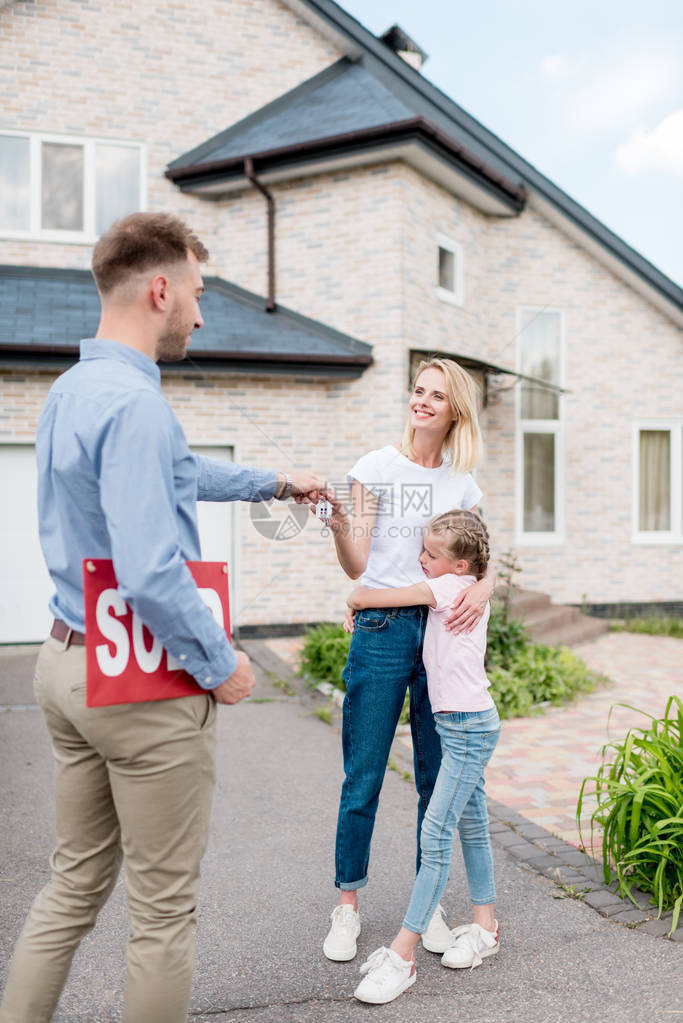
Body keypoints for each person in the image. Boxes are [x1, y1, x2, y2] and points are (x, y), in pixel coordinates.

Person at [0, 212, 322, 1023]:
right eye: (198, 293)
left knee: (73, 881)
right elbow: (149, 571)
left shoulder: (74, 390)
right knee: (162, 912)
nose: (202, 313)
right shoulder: (137, 405)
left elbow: (176, 473)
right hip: (141, 680)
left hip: (65, 662)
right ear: (159, 289)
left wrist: (273, 483)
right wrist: (222, 662)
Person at [318, 357, 495, 963]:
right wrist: (340, 524)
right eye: (417, 391)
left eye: (436, 395)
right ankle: (347, 905)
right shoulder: (375, 468)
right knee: (362, 773)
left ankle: (429, 906)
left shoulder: (461, 483)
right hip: (382, 627)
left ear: (455, 410)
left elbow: (483, 557)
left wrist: (483, 588)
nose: (421, 401)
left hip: (443, 631)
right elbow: (355, 564)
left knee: (433, 779)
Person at [346, 509, 501, 1003]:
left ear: (459, 567)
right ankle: (486, 927)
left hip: (468, 730)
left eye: (431, 554)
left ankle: (403, 955)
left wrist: (355, 598)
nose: (421, 559)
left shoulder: (450, 589)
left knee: (435, 834)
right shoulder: (458, 584)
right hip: (462, 724)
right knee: (471, 823)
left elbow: (377, 594)